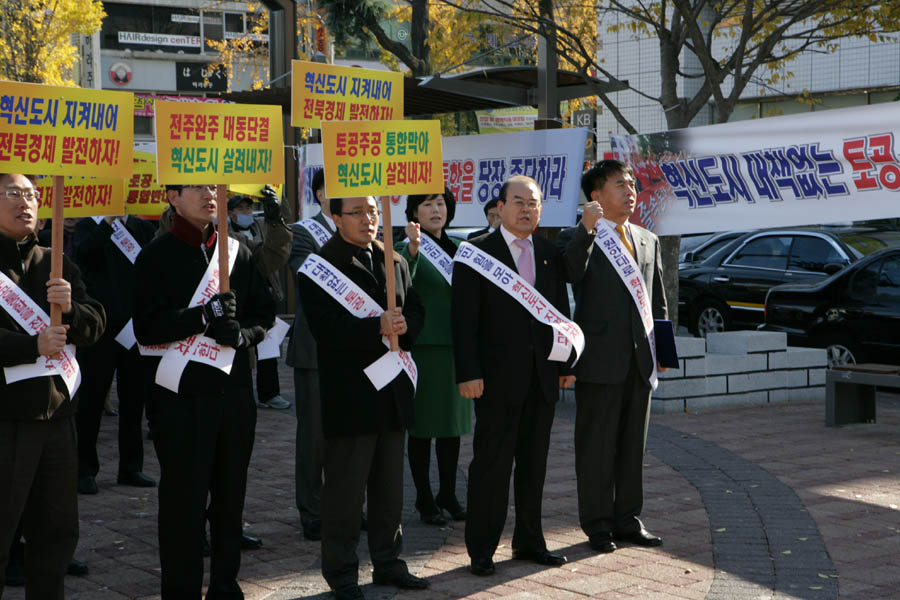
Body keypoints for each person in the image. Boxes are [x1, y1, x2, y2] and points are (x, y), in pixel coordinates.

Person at [134, 183, 275, 598]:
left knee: (231, 501)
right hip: (178, 398)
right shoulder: (155, 256)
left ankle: (226, 587)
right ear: (173, 197)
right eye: (196, 187)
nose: (209, 195)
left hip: (233, 397)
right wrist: (203, 316)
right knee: (184, 504)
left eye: (214, 188)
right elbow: (146, 327)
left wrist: (244, 335)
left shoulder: (237, 253)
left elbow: (263, 312)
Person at [298, 195, 428, 600]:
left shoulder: (395, 260)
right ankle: (342, 573)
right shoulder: (321, 268)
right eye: (357, 213)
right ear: (336, 217)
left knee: (390, 488)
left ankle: (388, 562)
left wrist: (405, 325)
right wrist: (376, 325)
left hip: (392, 392)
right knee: (345, 492)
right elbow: (327, 330)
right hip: (351, 394)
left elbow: (416, 309)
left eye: (373, 211)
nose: (369, 219)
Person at [451, 175, 575, 577]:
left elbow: (559, 313)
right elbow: (463, 321)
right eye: (518, 201)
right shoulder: (476, 253)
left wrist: (564, 364)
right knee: (492, 465)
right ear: (500, 207)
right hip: (495, 379)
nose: (526, 209)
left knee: (535, 466)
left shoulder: (547, 251)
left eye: (534, 203)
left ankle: (529, 540)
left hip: (541, 378)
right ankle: (482, 549)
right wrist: (468, 373)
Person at [0, 173, 106, 598]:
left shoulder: (54, 261)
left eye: (31, 195)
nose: (25, 202)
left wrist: (71, 308)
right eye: (13, 193)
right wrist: (31, 345)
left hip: (57, 418)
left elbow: (96, 323)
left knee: (57, 533)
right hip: (7, 417)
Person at [556, 159, 668, 553]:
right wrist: (586, 230)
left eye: (632, 183)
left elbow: (658, 303)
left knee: (632, 446)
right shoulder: (577, 236)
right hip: (599, 360)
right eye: (620, 184)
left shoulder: (646, 238)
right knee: (596, 447)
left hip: (641, 361)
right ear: (596, 195)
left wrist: (664, 352)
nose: (630, 190)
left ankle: (628, 519)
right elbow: (569, 273)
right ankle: (598, 525)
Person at [396, 188, 470, 526]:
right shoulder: (403, 248)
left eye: (440, 203)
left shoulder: (460, 249)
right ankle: (424, 498)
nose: (436, 209)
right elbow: (399, 282)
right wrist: (412, 247)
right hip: (424, 349)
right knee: (424, 428)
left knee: (451, 428)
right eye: (427, 204)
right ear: (414, 211)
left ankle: (449, 494)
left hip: (457, 349)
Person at [73, 214, 158, 495]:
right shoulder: (88, 226)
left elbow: (151, 272)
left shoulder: (142, 227)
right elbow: (85, 256)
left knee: (134, 400)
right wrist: (107, 224)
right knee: (91, 401)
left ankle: (131, 467)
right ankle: (84, 470)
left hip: (134, 328)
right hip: (99, 329)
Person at [286, 168, 332, 541]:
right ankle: (312, 510)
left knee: (351, 435)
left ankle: (345, 504)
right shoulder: (303, 233)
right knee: (314, 437)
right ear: (319, 194)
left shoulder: (372, 232)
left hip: (360, 350)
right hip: (316, 349)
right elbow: (309, 280)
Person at [226, 189, 292, 410]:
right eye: (240, 208)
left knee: (268, 349)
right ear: (230, 213)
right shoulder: (223, 233)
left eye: (248, 208)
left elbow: (273, 256)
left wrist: (277, 216)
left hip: (263, 299)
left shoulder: (260, 228)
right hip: (233, 306)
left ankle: (269, 393)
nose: (246, 212)